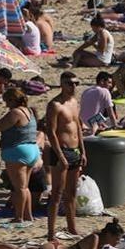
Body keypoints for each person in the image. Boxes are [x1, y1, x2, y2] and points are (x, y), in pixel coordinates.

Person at [0, 87, 39, 223]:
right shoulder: (29, 111)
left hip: (17, 151)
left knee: (19, 188)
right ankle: (28, 215)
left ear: (13, 100)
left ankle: (19, 217)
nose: (6, 104)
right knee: (25, 187)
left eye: (7, 101)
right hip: (31, 149)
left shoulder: (15, 113)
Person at [48, 72, 85, 238]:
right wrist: (61, 157)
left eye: (76, 83)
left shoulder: (74, 102)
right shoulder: (55, 105)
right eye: (70, 83)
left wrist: (83, 151)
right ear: (62, 84)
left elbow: (78, 128)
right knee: (57, 193)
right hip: (61, 151)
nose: (73, 87)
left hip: (75, 151)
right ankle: (50, 231)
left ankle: (72, 227)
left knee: (71, 193)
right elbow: (51, 132)